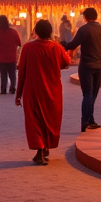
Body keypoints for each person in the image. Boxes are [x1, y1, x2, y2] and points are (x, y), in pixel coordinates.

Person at [16, 19, 71, 165]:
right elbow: (66, 62)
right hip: (52, 90)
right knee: (50, 119)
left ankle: (40, 149)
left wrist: (18, 94)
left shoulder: (28, 48)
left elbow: (21, 72)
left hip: (32, 90)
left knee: (34, 120)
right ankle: (45, 147)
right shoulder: (56, 47)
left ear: (36, 31)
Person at [65, 7, 101, 133]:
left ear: (85, 17)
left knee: (88, 94)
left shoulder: (84, 30)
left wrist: (62, 44)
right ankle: (90, 119)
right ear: (96, 17)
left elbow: (73, 45)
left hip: (86, 66)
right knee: (93, 94)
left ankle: (85, 120)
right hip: (99, 66)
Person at [0, 15, 21, 95]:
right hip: (12, 56)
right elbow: (19, 42)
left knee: (3, 74)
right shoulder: (14, 32)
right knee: (12, 74)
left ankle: (3, 88)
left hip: (2, 57)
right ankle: (12, 87)